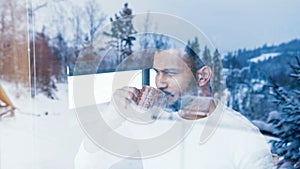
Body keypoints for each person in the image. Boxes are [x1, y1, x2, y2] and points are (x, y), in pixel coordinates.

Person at [75, 48, 274, 169]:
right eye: (157, 73)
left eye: (169, 73)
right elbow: (86, 164)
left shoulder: (241, 134)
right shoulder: (153, 121)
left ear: (203, 76)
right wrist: (112, 115)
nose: (160, 82)